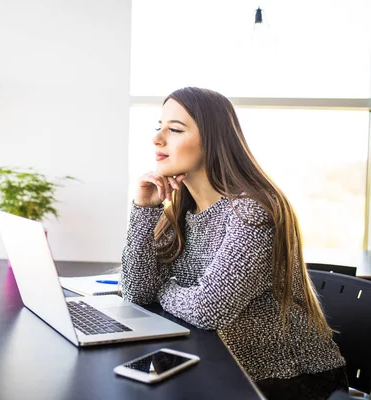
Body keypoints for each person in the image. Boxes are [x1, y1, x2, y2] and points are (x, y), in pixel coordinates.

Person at [120, 87, 348, 400]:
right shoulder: (181, 211)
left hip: (289, 380)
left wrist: (163, 288)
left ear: (213, 140)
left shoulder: (252, 211)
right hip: (221, 368)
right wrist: (145, 208)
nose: (157, 139)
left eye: (174, 129)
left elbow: (207, 310)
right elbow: (136, 291)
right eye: (159, 127)